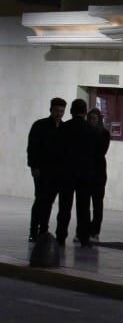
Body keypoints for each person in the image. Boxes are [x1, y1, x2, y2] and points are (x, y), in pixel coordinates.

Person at [56, 99, 99, 247]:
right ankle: (84, 237)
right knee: (83, 207)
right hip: (85, 174)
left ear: (71, 111)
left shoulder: (64, 128)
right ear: (85, 112)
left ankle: (60, 236)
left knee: (64, 207)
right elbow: (95, 154)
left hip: (66, 173)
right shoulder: (91, 130)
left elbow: (59, 152)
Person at [26, 97, 66, 242]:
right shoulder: (40, 125)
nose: (59, 113)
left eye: (61, 111)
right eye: (57, 110)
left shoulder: (64, 128)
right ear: (51, 110)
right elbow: (32, 148)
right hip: (42, 171)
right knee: (40, 200)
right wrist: (33, 166)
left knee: (48, 201)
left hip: (56, 172)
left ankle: (43, 229)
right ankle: (33, 230)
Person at [85, 108, 111, 242]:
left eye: (94, 119)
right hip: (85, 172)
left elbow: (101, 150)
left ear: (99, 120)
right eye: (89, 119)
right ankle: (83, 231)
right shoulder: (83, 132)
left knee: (97, 204)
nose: (91, 121)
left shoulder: (104, 133)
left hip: (98, 173)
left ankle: (95, 231)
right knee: (84, 204)